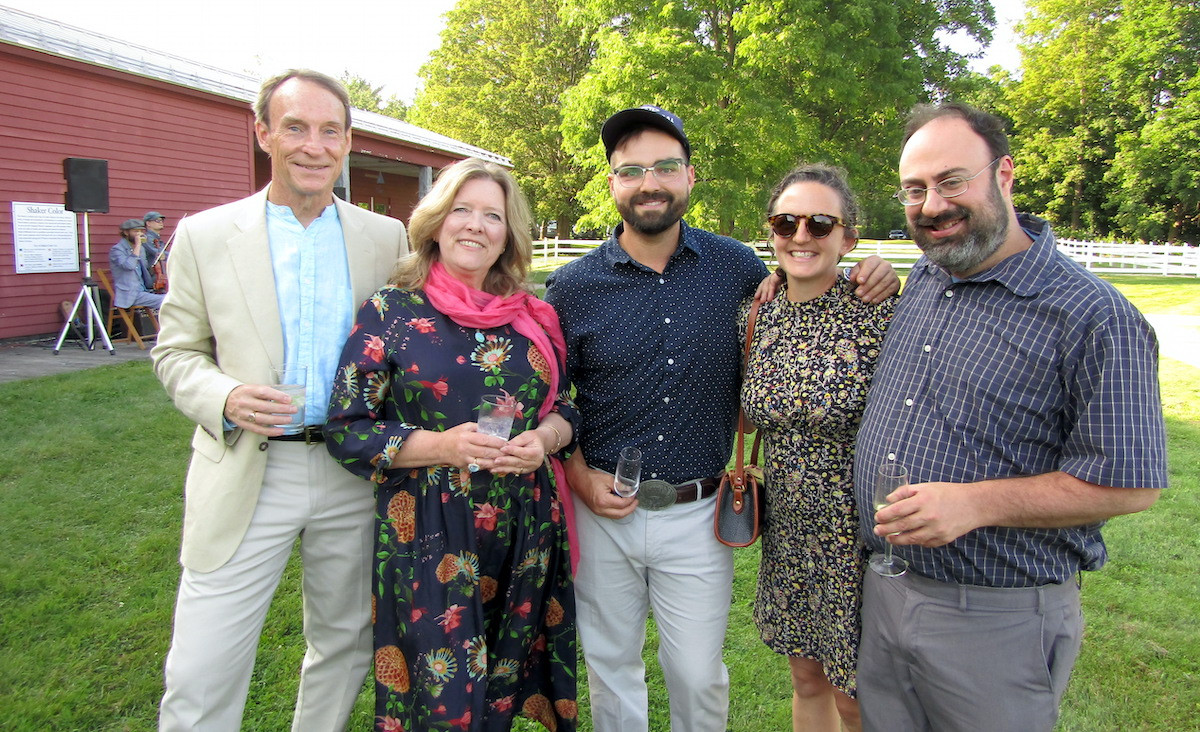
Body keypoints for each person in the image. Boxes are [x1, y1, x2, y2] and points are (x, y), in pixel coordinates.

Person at [543, 105, 898, 732]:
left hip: (699, 514)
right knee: (611, 667)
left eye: (665, 167)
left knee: (698, 676)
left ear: (690, 177)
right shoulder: (571, 288)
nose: (649, 182)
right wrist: (576, 475)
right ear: (612, 184)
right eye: (631, 171)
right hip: (603, 509)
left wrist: (874, 271)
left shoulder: (735, 267)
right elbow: (551, 400)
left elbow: (802, 295)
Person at [853, 102, 1167, 732]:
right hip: (886, 590)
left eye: (951, 181)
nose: (932, 204)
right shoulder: (929, 280)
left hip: (994, 617)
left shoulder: (1092, 316)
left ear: (1004, 174)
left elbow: (1132, 484)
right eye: (914, 188)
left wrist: (977, 504)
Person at [151, 69, 408, 731]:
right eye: (295, 126)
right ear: (263, 132)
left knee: (345, 644)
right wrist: (226, 393)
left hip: (352, 472)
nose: (313, 146)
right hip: (246, 469)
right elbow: (175, 352)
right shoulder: (206, 236)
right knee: (202, 668)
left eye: (330, 131)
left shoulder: (385, 240)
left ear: (349, 142)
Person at [325, 157, 579, 731]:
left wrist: (544, 438)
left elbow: (566, 405)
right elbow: (347, 428)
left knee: (503, 687)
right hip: (432, 533)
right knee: (442, 698)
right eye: (461, 210)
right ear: (435, 222)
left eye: (493, 215)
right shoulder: (390, 311)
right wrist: (441, 446)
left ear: (508, 233)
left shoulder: (533, 315)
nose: (475, 225)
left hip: (523, 527)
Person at [740, 163, 895, 732]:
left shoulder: (880, 313)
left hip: (857, 535)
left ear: (848, 238)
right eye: (786, 221)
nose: (801, 235)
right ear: (771, 231)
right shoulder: (758, 315)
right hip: (789, 531)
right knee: (807, 679)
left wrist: (891, 274)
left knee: (858, 697)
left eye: (820, 223)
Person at [108, 218, 165, 309]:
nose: (139, 234)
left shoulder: (140, 249)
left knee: (176, 298)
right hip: (130, 294)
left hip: (145, 290)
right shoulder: (117, 250)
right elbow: (129, 266)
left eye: (141, 231)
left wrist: (156, 260)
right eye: (135, 231)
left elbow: (145, 268)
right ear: (126, 233)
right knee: (168, 301)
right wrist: (138, 245)